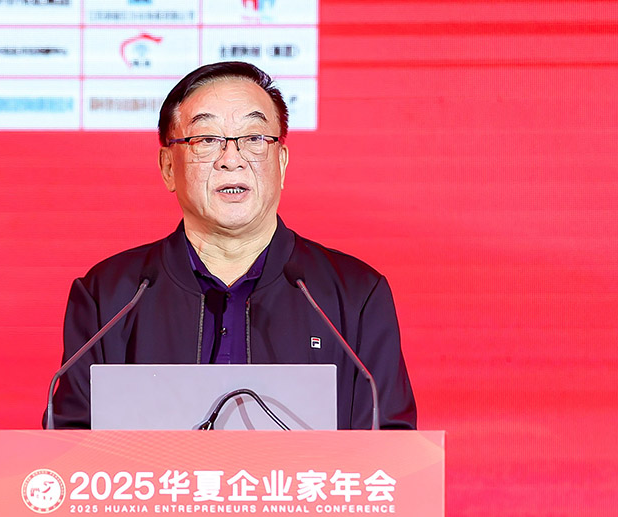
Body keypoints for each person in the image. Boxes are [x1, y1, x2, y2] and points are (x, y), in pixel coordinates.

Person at [48, 61, 416, 429]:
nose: (231, 160)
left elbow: (391, 446)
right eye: (206, 139)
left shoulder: (354, 295)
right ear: (168, 167)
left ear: (282, 162)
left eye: (254, 138)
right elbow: (68, 443)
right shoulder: (110, 296)